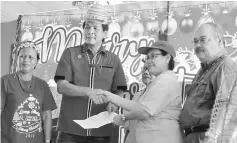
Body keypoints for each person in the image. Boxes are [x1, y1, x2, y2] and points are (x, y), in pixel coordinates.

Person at [54, 3, 127, 143]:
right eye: (87, 27)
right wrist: (88, 91)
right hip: (70, 129)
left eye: (95, 28)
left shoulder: (114, 60)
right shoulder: (70, 54)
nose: (90, 31)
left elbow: (119, 90)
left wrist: (114, 103)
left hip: (100, 130)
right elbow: (61, 86)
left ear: (105, 33)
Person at [101, 41, 183, 143]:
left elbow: (144, 112)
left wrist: (122, 116)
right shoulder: (158, 82)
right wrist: (111, 97)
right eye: (147, 57)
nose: (148, 62)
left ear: (167, 58)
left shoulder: (165, 80)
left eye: (154, 56)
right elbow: (138, 107)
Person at [179, 22, 237, 143]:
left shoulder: (225, 66)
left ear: (219, 40)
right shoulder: (203, 69)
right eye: (195, 41)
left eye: (203, 40)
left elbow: (226, 110)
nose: (198, 45)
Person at [1, 41, 57, 143]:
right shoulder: (5, 81)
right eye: (22, 56)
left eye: (31, 57)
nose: (26, 60)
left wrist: (48, 141)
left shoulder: (42, 85)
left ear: (37, 61)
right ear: (17, 59)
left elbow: (46, 115)